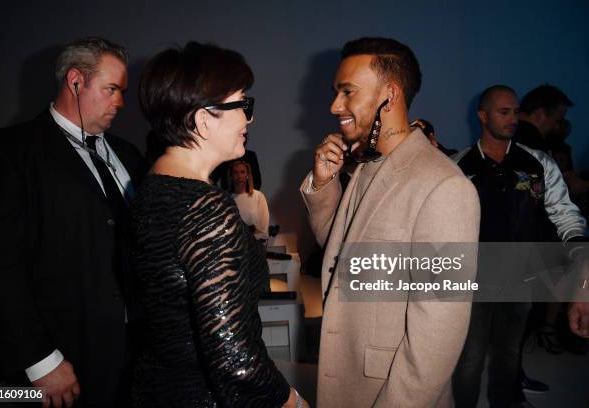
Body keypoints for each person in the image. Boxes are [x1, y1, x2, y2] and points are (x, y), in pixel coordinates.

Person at [299, 37, 480, 407]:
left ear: (389, 95)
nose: (335, 106)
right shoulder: (367, 166)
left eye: (347, 92)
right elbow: (340, 255)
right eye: (337, 93)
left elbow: (437, 337)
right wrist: (323, 184)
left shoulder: (444, 187)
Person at [131, 42, 308, 408]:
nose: (249, 118)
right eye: (242, 104)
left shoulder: (150, 186)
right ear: (202, 119)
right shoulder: (205, 207)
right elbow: (235, 360)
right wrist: (289, 401)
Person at [0, 37, 146, 407]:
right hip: (60, 362)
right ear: (75, 81)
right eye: (112, 89)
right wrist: (39, 362)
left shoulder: (130, 155)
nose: (120, 102)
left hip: (134, 361)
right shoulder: (6, 153)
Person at [452, 85, 586, 407]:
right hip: (474, 283)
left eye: (515, 111)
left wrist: (581, 253)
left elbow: (566, 213)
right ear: (483, 116)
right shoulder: (459, 166)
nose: (513, 118)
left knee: (509, 355)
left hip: (521, 281)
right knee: (469, 359)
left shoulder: (539, 163)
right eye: (504, 112)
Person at [228, 160, 270, 241]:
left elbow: (263, 228)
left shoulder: (258, 196)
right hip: (233, 245)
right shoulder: (226, 198)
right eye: (235, 172)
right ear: (231, 176)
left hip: (255, 245)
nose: (239, 176)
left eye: (242, 172)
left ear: (247, 175)